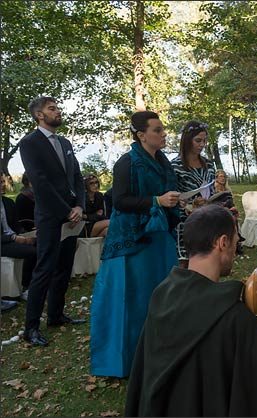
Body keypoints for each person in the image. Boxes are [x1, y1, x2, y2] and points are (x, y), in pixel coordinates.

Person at [125, 205, 257, 417]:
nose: (236, 249)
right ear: (222, 243)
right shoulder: (232, 314)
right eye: (235, 240)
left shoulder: (162, 295)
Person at [90, 111, 181, 378]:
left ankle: (160, 355)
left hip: (159, 237)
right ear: (142, 135)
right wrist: (157, 201)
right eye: (157, 130)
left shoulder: (164, 162)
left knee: (161, 296)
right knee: (131, 299)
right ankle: (124, 361)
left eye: (163, 129)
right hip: (131, 241)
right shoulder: (127, 163)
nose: (163, 134)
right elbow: (119, 201)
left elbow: (166, 196)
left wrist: (176, 202)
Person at [19, 96, 86, 347]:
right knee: (44, 269)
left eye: (58, 107)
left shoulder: (65, 142)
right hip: (50, 216)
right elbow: (40, 182)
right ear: (39, 115)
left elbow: (77, 177)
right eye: (52, 108)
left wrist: (79, 205)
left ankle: (56, 315)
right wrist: (65, 210)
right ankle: (31, 328)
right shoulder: (29, 143)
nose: (58, 111)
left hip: (73, 215)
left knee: (64, 268)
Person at [171, 121, 215, 263]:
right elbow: (172, 196)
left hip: (207, 219)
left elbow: (212, 190)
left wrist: (210, 201)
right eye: (198, 140)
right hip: (184, 223)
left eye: (204, 140)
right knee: (185, 263)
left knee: (206, 261)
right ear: (187, 140)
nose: (202, 144)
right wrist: (189, 205)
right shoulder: (175, 166)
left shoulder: (208, 164)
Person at [1, 174, 36, 300]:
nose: (3, 185)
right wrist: (13, 238)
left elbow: (16, 225)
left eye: (3, 182)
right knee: (31, 252)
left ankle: (40, 281)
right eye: (0, 182)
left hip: (13, 237)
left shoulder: (8, 202)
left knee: (40, 242)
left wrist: (25, 234)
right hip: (4, 242)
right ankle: (25, 287)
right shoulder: (20, 199)